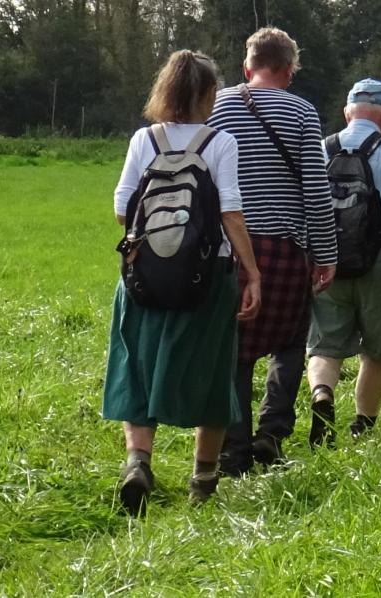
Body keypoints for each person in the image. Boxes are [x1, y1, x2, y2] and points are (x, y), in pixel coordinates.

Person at [105, 50, 262, 514]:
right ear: (209, 94)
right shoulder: (220, 142)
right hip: (206, 278)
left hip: (143, 278)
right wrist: (251, 272)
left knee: (135, 366)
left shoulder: (144, 139)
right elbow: (230, 210)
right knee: (212, 372)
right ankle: (203, 479)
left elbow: (121, 208)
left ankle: (138, 462)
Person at [206, 28, 338, 475]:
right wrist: (326, 253)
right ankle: (273, 431)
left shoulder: (218, 105)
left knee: (235, 351)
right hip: (285, 248)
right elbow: (317, 192)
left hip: (229, 248)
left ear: (248, 66)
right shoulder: (301, 111)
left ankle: (234, 449)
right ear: (289, 70)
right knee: (289, 340)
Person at [303, 79, 381, 444]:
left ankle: (322, 396)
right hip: (380, 263)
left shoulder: (319, 150)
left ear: (348, 113)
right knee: (375, 351)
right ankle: (363, 426)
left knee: (324, 346)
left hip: (327, 263)